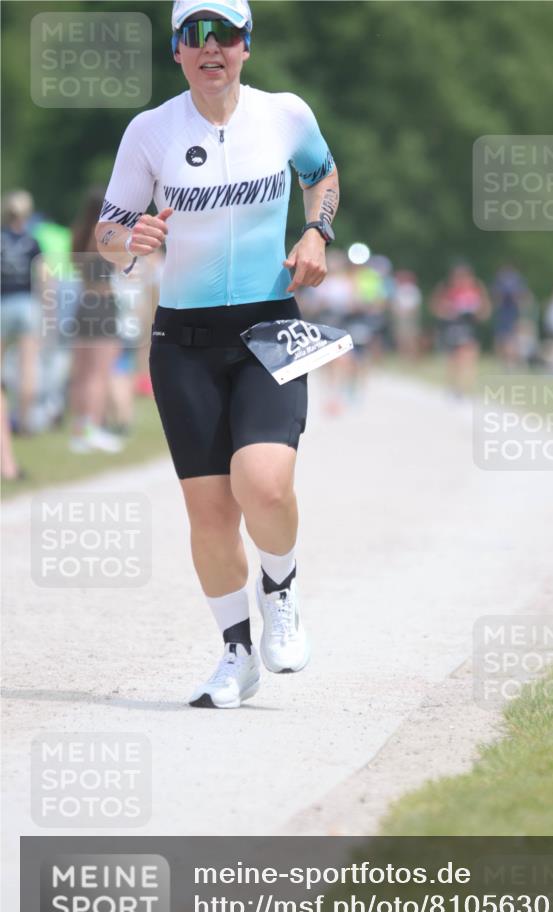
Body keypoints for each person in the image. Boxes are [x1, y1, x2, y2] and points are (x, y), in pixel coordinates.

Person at [95, 0, 339, 709]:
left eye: (224, 34)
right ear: (176, 50)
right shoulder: (150, 132)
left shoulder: (285, 115)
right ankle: (236, 653)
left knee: (262, 484)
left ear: (246, 47)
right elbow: (110, 232)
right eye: (194, 35)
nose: (210, 48)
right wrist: (128, 241)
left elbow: (322, 175)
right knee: (209, 514)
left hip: (269, 327)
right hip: (185, 341)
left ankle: (282, 588)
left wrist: (316, 233)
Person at [68, 187, 125, 454]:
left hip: (82, 304)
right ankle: (93, 430)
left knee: (81, 374)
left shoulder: (77, 235)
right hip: (102, 305)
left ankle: (80, 431)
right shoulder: (103, 237)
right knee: (99, 375)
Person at [1, 190, 42, 450]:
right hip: (27, 304)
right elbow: (43, 277)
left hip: (3, 303)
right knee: (27, 367)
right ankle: (25, 423)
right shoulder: (32, 241)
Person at [429, 262, 490, 396]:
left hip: (469, 326)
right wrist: (449, 311)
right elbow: (436, 307)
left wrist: (477, 314)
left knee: (469, 356)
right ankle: (453, 386)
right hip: (452, 326)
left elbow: (485, 308)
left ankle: (464, 388)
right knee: (453, 358)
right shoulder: (446, 288)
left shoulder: (476, 287)